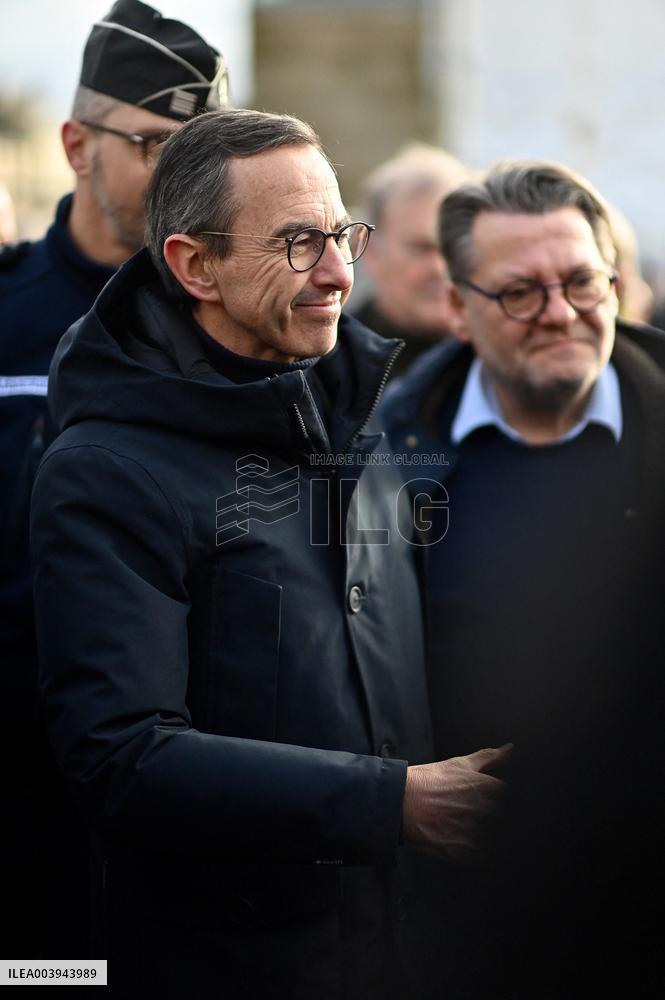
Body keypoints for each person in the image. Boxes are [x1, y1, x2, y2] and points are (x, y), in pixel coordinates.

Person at [30, 107, 509, 999]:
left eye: (341, 235)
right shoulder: (105, 471)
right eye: (297, 243)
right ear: (193, 265)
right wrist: (391, 803)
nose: (337, 272)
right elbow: (120, 759)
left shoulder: (354, 415)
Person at [381, 161, 665, 999]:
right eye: (518, 292)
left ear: (615, 283)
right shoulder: (378, 458)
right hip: (460, 920)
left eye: (580, 282)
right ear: (455, 308)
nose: (559, 313)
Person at [0, 0, 227, 958]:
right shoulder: (10, 313)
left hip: (196, 777)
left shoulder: (229, 328)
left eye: (199, 152)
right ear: (75, 145)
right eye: (153, 145)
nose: (181, 177)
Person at [351, 143, 469, 378]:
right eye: (421, 249)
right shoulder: (326, 369)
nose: (440, 268)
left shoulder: (501, 363)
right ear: (371, 251)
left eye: (452, 248)